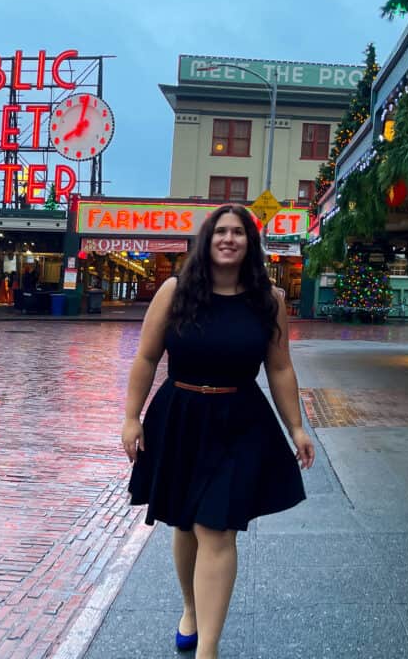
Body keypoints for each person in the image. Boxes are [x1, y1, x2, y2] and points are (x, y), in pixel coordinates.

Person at [121, 204, 314, 659]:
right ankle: (190, 608)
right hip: (180, 414)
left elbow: (280, 367)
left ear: (251, 243)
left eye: (239, 232)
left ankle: (208, 647)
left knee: (217, 527)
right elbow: (146, 358)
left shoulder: (270, 300)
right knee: (186, 522)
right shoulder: (175, 291)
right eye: (221, 231)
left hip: (239, 420)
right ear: (207, 240)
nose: (229, 239)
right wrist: (131, 417)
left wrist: (297, 428)